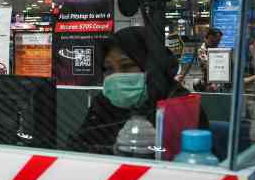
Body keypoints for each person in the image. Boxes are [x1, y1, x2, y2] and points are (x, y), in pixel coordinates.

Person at [68, 26, 208, 155]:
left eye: (127, 66)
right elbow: (78, 146)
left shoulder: (180, 106)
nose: (117, 76)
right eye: (109, 69)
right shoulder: (104, 104)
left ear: (154, 68)